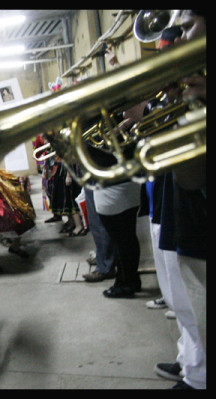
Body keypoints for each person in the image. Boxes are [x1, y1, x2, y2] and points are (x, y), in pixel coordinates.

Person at [153, 10, 206, 390]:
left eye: (188, 26)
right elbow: (190, 175)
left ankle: (198, 375)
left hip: (197, 217)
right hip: (181, 209)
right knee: (188, 305)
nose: (184, 41)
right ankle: (193, 366)